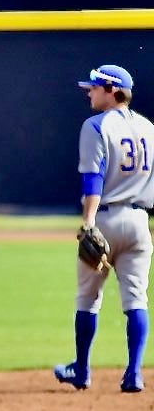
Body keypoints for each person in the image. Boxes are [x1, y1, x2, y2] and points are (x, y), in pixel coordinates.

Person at [54, 63, 154, 393]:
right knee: (137, 300)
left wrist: (88, 224)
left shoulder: (96, 125)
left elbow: (92, 179)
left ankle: (81, 371)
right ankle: (134, 374)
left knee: (87, 299)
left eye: (95, 87)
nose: (90, 92)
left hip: (106, 219)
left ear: (111, 91)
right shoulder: (149, 128)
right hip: (140, 221)